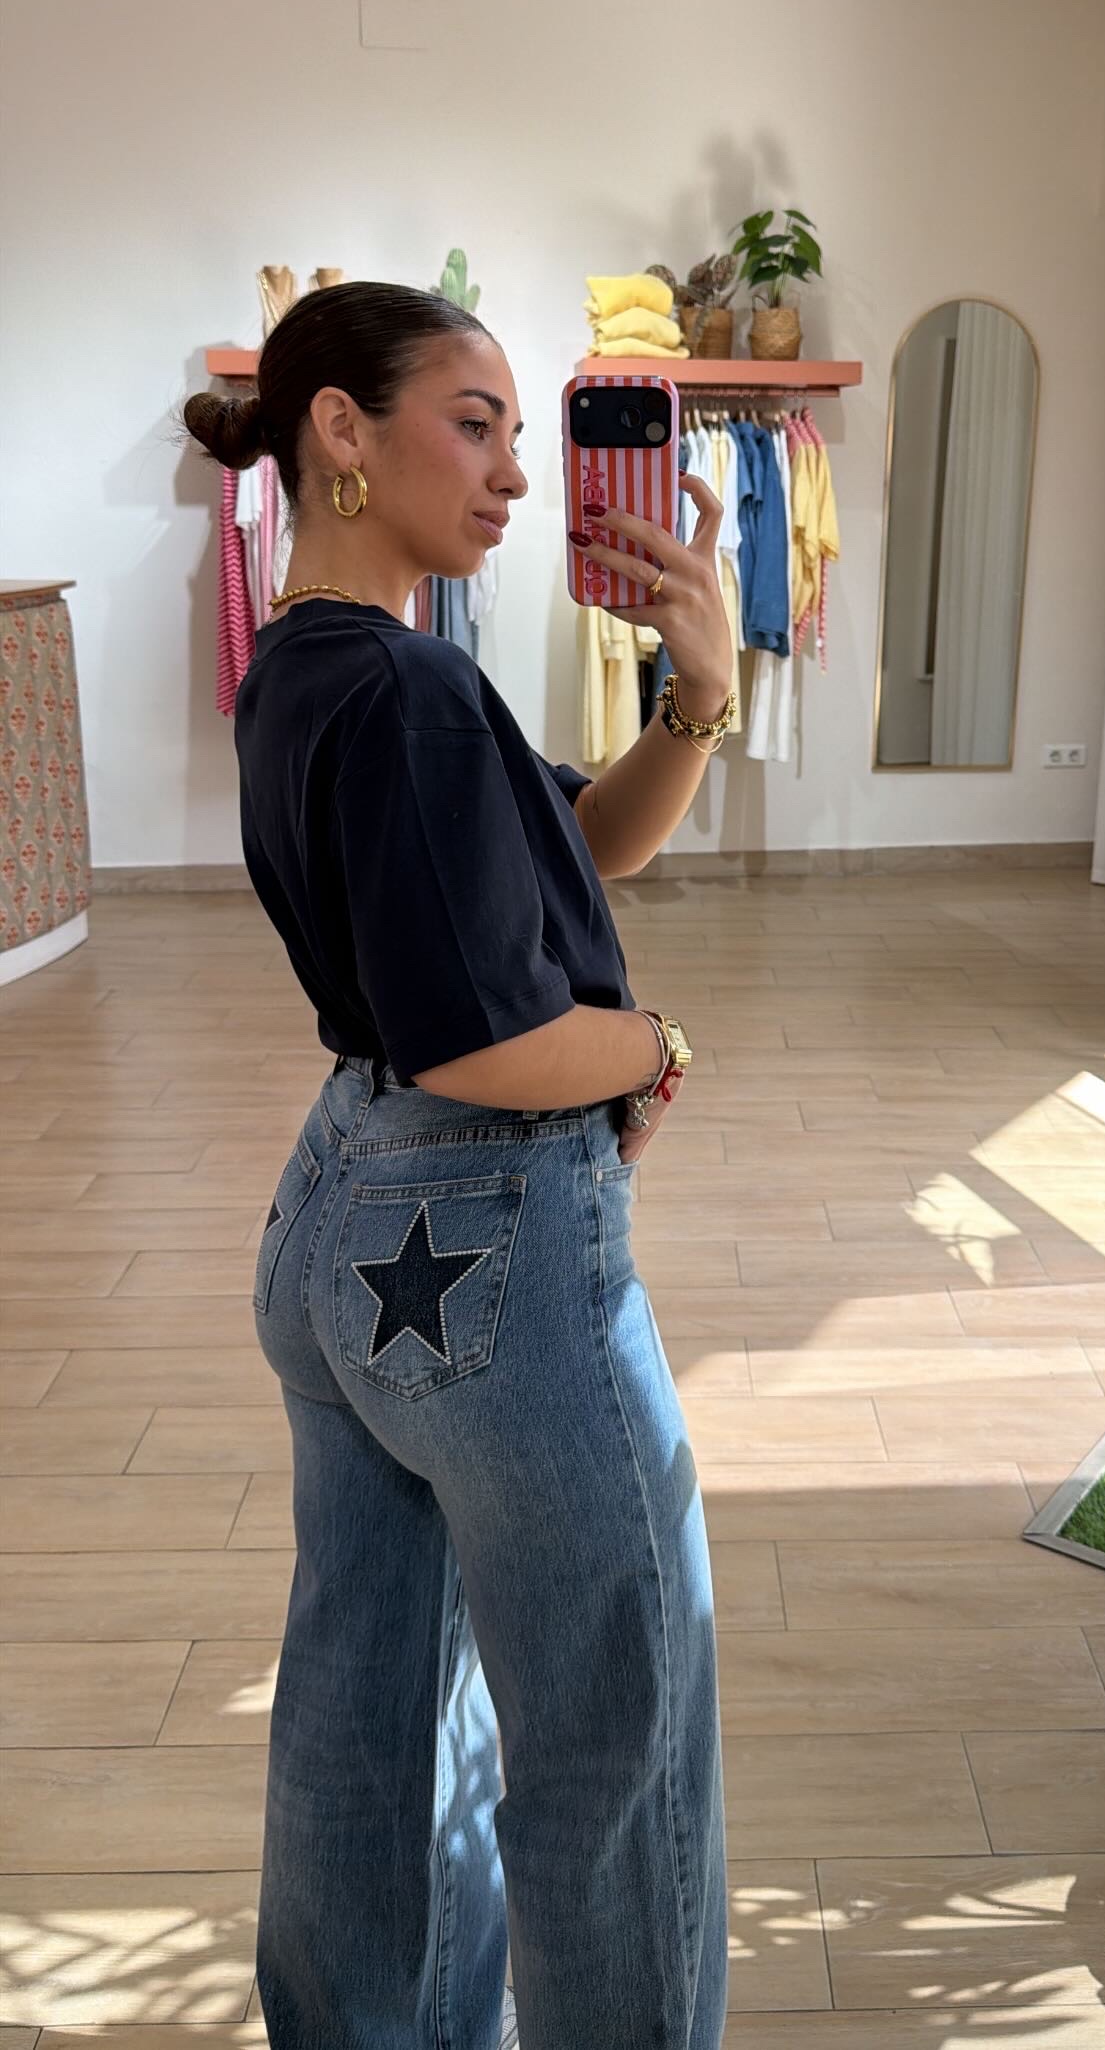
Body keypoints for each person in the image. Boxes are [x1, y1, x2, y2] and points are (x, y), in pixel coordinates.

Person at [183, 281, 737, 2050]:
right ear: (340, 429)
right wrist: (653, 1047)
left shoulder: (308, 665)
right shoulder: (411, 686)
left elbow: (582, 846)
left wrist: (699, 694)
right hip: (484, 1234)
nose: (512, 469)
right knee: (615, 1741)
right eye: (473, 422)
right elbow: (483, 1042)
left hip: (344, 1217)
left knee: (371, 1703)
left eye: (518, 429)